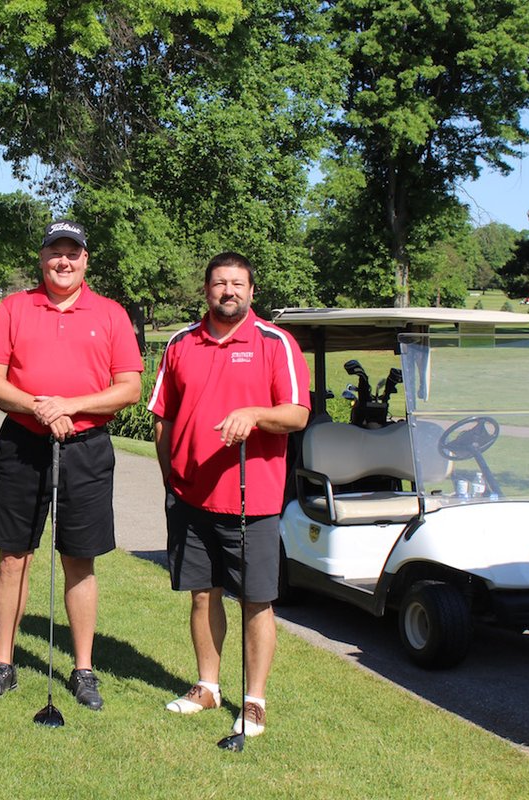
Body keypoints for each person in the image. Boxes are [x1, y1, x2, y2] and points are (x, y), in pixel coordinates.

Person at [0, 219, 143, 711]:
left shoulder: (109, 313)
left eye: (72, 253)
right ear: (42, 258)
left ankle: (84, 668)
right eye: (54, 252)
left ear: (86, 259)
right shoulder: (14, 306)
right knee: (12, 556)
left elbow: (129, 387)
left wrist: (71, 406)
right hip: (23, 443)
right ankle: (3, 663)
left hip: (86, 449)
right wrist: (40, 407)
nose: (63, 261)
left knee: (79, 559)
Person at [147, 251, 310, 737]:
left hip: (251, 499)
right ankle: (208, 686)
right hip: (190, 497)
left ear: (251, 291)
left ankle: (254, 700)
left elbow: (297, 414)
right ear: (207, 290)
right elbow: (163, 417)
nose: (229, 291)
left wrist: (255, 414)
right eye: (220, 283)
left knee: (256, 601)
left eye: (238, 283)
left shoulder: (274, 343)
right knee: (202, 595)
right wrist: (169, 477)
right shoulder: (181, 343)